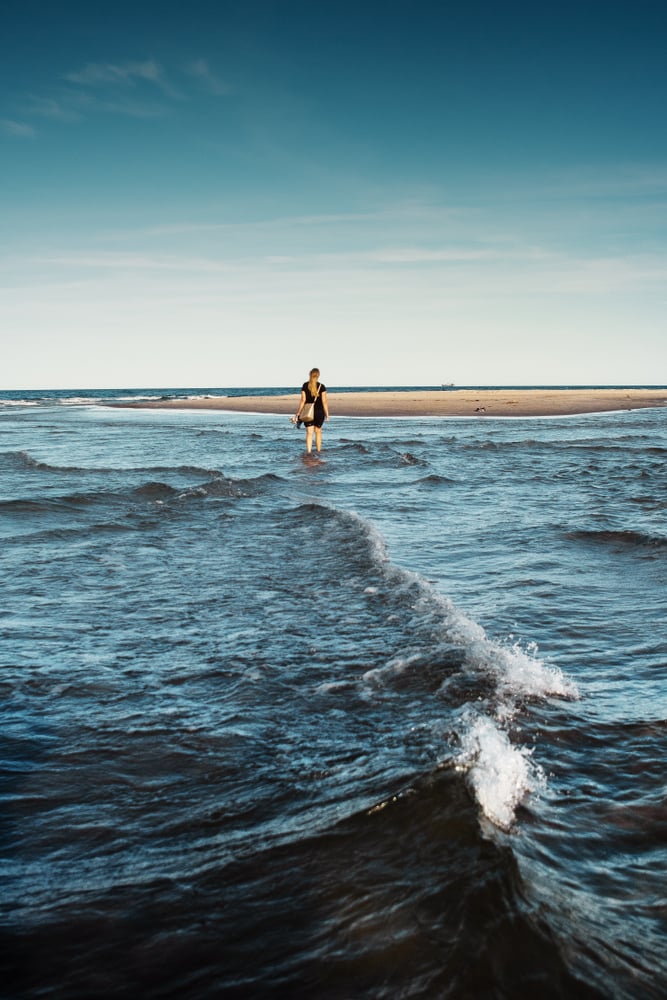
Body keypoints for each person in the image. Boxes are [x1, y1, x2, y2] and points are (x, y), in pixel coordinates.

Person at [294, 368, 329, 454]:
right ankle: (319, 451)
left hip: (308, 412)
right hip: (319, 412)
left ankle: (309, 453)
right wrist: (327, 414)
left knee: (309, 433)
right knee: (318, 432)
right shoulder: (322, 386)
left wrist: (298, 413)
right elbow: (324, 402)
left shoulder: (305, 385)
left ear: (310, 374)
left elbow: (303, 400)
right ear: (318, 375)